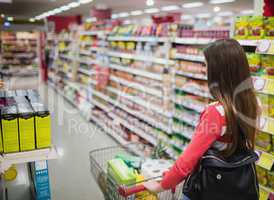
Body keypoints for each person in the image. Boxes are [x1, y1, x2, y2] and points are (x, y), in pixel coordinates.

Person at [144, 39, 260, 199]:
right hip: (236, 184)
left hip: (208, 186)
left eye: (206, 65)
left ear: (219, 71)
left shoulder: (217, 112)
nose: (203, 71)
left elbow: (188, 160)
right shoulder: (252, 104)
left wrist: (160, 186)